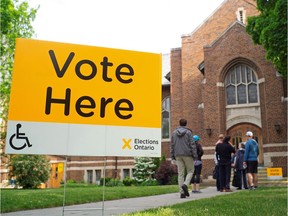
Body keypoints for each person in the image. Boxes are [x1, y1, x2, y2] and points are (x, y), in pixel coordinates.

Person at [171, 118, 198, 198]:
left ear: (179, 124)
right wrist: (195, 156)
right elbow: (192, 145)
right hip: (187, 154)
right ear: (186, 124)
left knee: (181, 174)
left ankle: (182, 193)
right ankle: (185, 184)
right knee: (191, 171)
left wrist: (172, 155)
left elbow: (172, 145)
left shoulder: (174, 133)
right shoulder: (188, 132)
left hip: (177, 155)